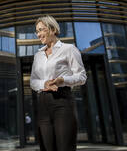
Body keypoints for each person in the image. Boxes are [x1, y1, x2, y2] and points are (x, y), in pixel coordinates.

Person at [30, 15, 87, 151]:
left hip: (62, 101)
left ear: (53, 29)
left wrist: (63, 80)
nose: (39, 34)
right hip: (43, 103)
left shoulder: (69, 49)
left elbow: (82, 76)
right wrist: (44, 84)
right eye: (37, 31)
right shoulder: (38, 55)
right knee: (47, 147)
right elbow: (33, 81)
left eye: (41, 30)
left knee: (65, 146)